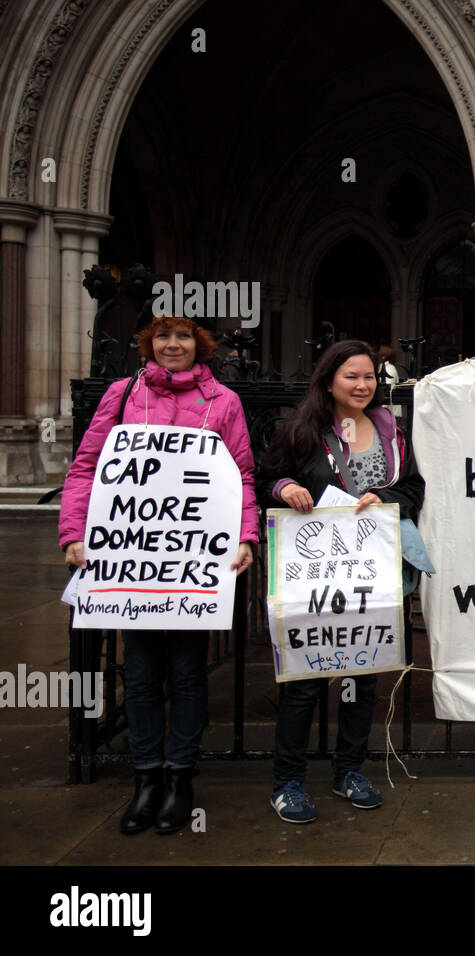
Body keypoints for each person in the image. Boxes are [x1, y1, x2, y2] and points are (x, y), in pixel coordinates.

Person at [59, 315, 257, 835]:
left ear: (199, 345)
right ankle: (146, 778)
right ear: (150, 344)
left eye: (184, 336)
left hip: (193, 564)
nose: (174, 345)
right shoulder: (123, 395)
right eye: (163, 337)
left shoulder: (224, 402)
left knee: (188, 677)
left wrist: (245, 536)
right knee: (143, 675)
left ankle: (179, 777)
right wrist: (73, 532)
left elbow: (240, 474)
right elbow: (87, 467)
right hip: (132, 561)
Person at [256, 340, 424, 824]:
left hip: (369, 573)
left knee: (360, 678)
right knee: (304, 685)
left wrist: (386, 496)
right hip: (313, 576)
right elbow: (265, 477)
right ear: (329, 379)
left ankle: (348, 771)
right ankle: (287, 783)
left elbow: (414, 488)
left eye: (369, 376)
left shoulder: (392, 430)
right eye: (351, 376)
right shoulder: (302, 429)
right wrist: (284, 488)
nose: (362, 385)